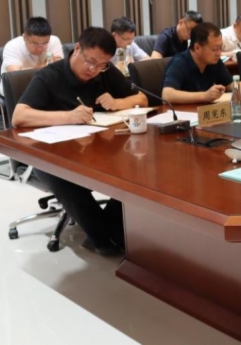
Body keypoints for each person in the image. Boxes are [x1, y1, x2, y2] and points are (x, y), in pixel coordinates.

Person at [11, 27, 149, 255]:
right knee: (67, 180)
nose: (93, 70)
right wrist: (68, 117)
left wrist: (118, 103)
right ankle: (104, 240)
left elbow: (142, 99)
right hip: (48, 154)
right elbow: (19, 116)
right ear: (77, 49)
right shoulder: (49, 76)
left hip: (95, 149)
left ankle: (115, 232)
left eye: (101, 65)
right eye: (90, 62)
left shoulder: (104, 72)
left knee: (137, 165)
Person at [162, 23, 241, 104]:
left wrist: (237, 86)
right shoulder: (179, 63)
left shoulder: (214, 61)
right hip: (182, 113)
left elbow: (228, 84)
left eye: (220, 48)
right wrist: (204, 96)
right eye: (215, 49)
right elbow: (167, 95)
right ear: (197, 48)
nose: (219, 53)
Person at [0, 17, 64, 95]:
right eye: (35, 43)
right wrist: (46, 65)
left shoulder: (54, 41)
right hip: (17, 91)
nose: (39, 48)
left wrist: (28, 70)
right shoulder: (12, 46)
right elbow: (16, 77)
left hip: (44, 89)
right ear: (24, 37)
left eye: (44, 43)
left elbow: (58, 68)